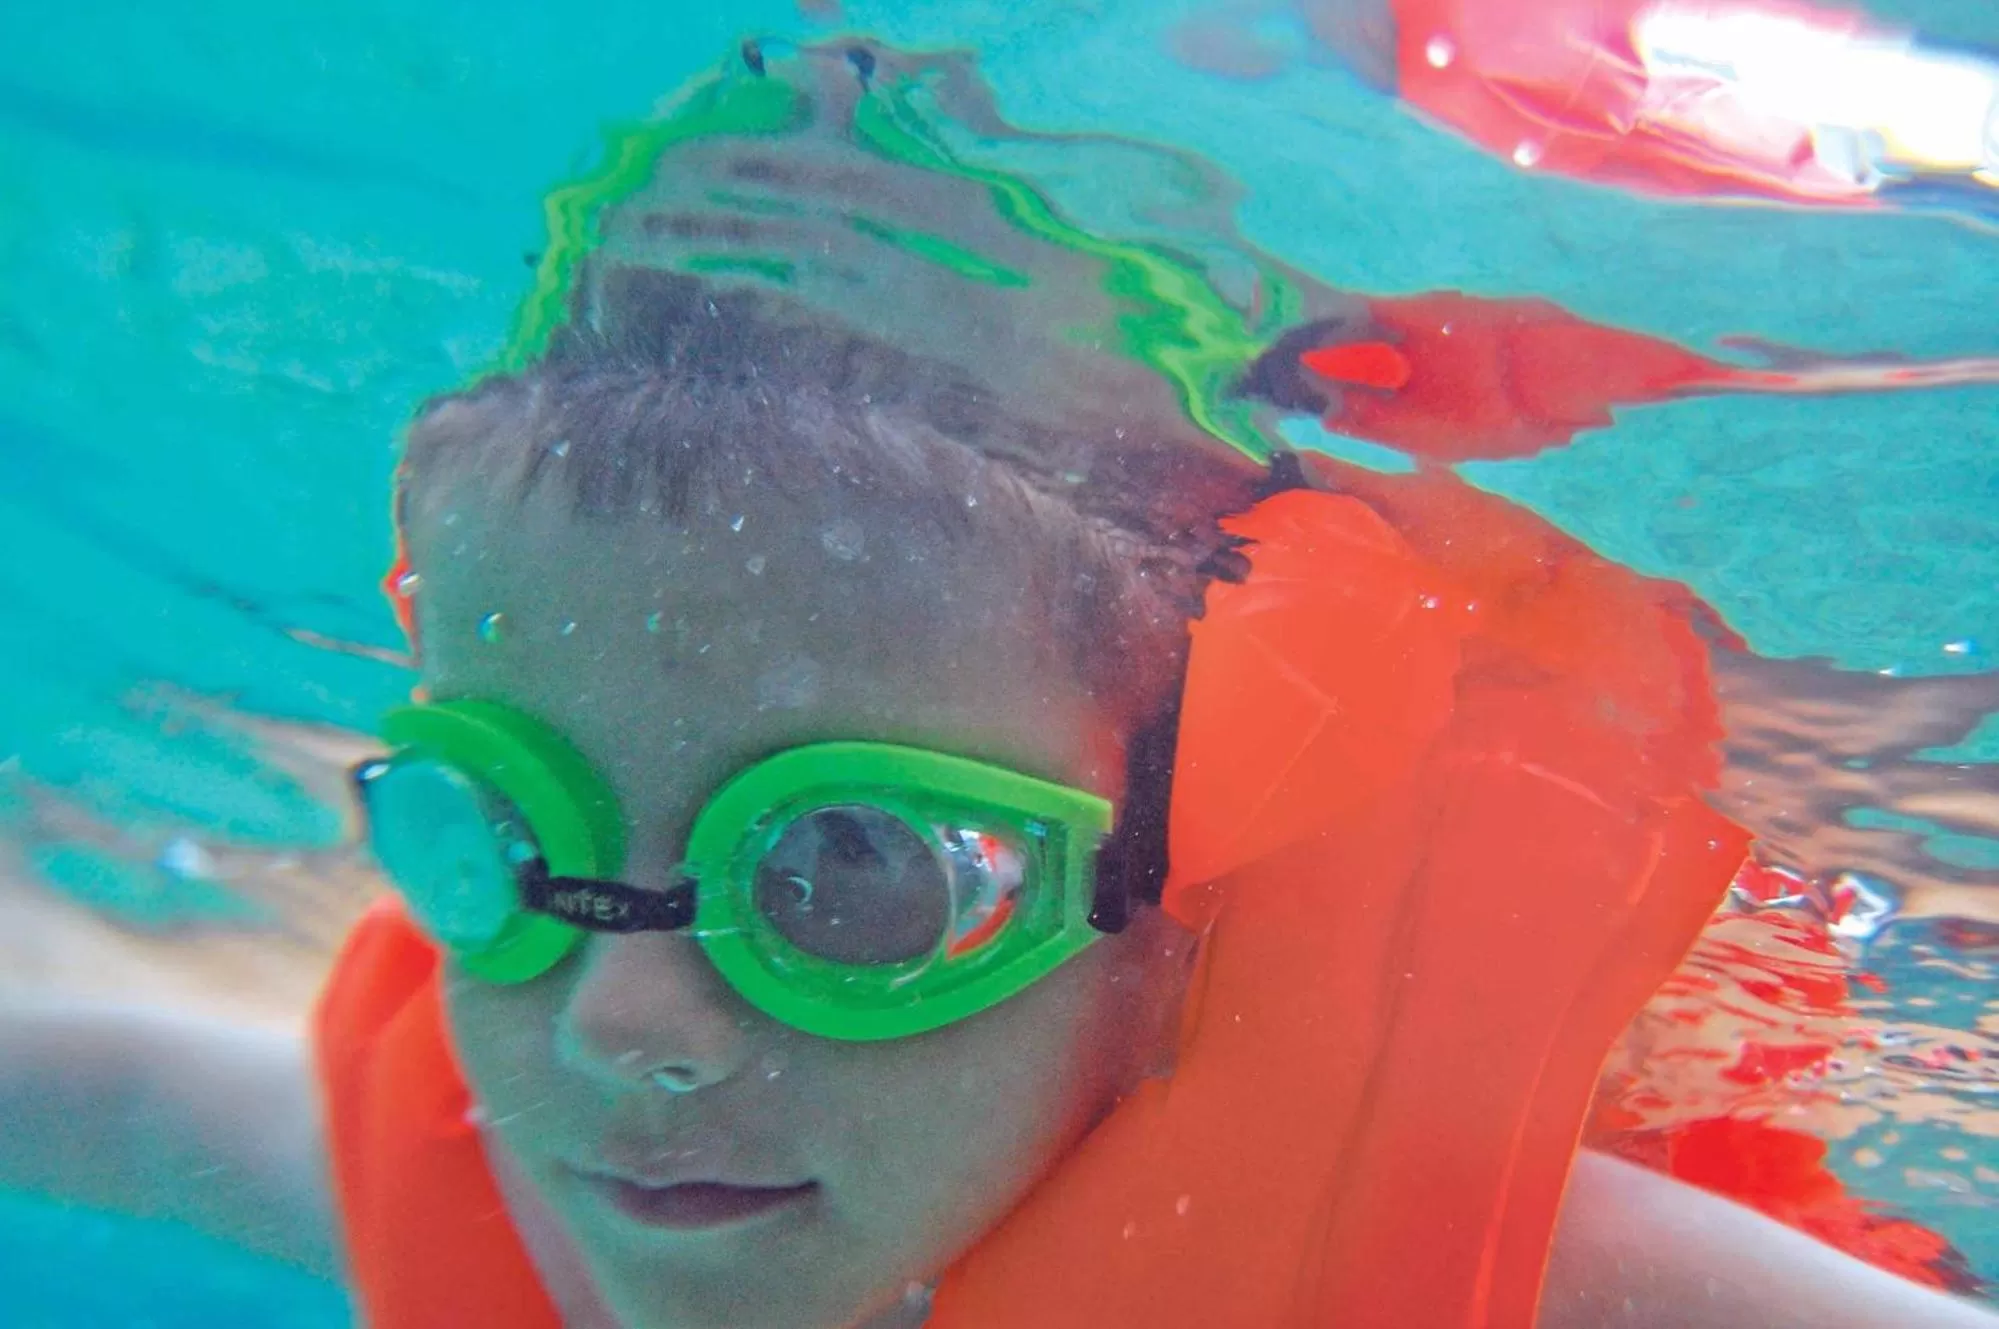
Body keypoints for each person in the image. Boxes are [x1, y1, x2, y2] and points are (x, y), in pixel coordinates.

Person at [5, 37, 1997, 1329]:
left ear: (1193, 859)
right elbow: (101, 1090)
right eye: (497, 842)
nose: (618, 1017)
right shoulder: (513, 1191)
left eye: (853, 870)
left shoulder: (1555, 1290)